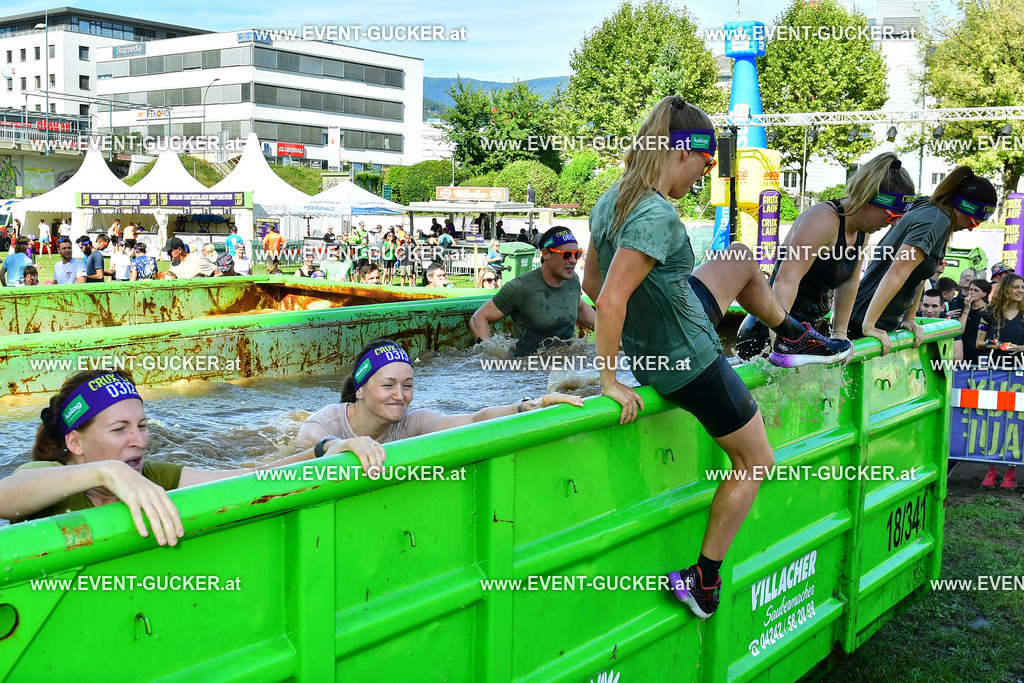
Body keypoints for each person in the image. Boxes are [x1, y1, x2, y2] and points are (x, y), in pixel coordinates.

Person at [582, 97, 850, 621]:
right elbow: (609, 298)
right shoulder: (656, 212)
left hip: (665, 334)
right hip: (690, 360)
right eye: (704, 166)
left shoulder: (610, 199)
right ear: (684, 152)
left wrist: (653, 311)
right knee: (758, 461)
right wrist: (609, 382)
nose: (703, 178)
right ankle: (704, 581)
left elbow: (591, 283)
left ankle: (792, 335)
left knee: (740, 259)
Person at [0, 370, 331, 541]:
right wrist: (106, 473)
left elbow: (248, 479)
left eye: (142, 426)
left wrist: (321, 451)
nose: (139, 441)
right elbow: (6, 498)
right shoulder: (44, 473)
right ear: (75, 443)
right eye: (120, 429)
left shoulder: (154, 476)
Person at [737, 152, 915, 359]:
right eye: (892, 215)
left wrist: (840, 334)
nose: (893, 224)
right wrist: (781, 341)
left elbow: (849, 281)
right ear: (868, 199)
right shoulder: (823, 220)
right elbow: (786, 280)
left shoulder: (862, 230)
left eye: (900, 218)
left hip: (805, 336)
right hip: (769, 333)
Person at [294, 339, 584, 457]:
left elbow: (473, 419)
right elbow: (307, 446)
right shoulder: (328, 420)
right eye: (388, 385)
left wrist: (532, 405)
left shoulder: (411, 423)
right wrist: (343, 444)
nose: (400, 396)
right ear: (360, 389)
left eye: (407, 386)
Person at [850, 166, 998, 354]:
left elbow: (919, 272)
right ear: (962, 206)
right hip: (864, 323)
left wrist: (910, 318)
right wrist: (869, 326)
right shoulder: (936, 220)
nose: (971, 228)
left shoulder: (935, 212)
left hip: (879, 322)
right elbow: (897, 270)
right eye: (973, 221)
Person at [469, 226, 596, 356]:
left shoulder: (573, 281)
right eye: (567, 255)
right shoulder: (521, 287)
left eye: (577, 254)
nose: (573, 260)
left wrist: (614, 333)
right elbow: (478, 317)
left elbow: (580, 308)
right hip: (529, 370)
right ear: (546, 254)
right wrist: (491, 355)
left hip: (564, 368)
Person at [975, 274, 1024, 489]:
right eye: (1016, 287)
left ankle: (1011, 472)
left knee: (1016, 420)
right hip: (995, 371)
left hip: (1020, 372)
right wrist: (992, 345)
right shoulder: (989, 312)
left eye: (1022, 287)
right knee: (994, 419)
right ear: (1006, 289)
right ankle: (992, 470)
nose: (1021, 291)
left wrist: (1020, 348)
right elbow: (978, 343)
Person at [953, 278, 990, 364]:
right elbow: (960, 330)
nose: (972, 292)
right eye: (970, 290)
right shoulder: (965, 308)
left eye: (976, 290)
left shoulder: (989, 311)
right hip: (965, 353)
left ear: (984, 294)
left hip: (981, 354)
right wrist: (966, 309)